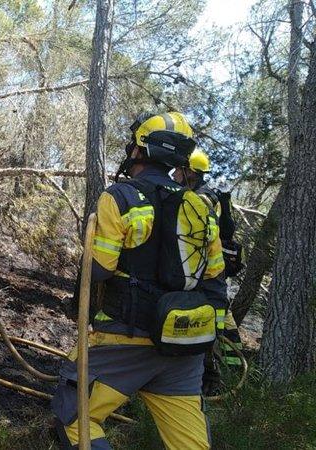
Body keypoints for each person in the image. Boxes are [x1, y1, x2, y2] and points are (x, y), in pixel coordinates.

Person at [53, 112, 227, 449]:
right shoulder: (202, 209)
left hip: (126, 339)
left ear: (139, 150)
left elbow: (99, 270)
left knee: (74, 417)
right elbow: (215, 279)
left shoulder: (120, 197)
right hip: (184, 347)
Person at [172, 149, 245, 393]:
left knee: (210, 332)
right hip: (214, 279)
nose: (174, 173)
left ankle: (214, 383)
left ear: (190, 171)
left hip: (208, 279)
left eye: (178, 169)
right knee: (225, 327)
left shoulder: (200, 199)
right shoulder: (208, 196)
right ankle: (231, 378)